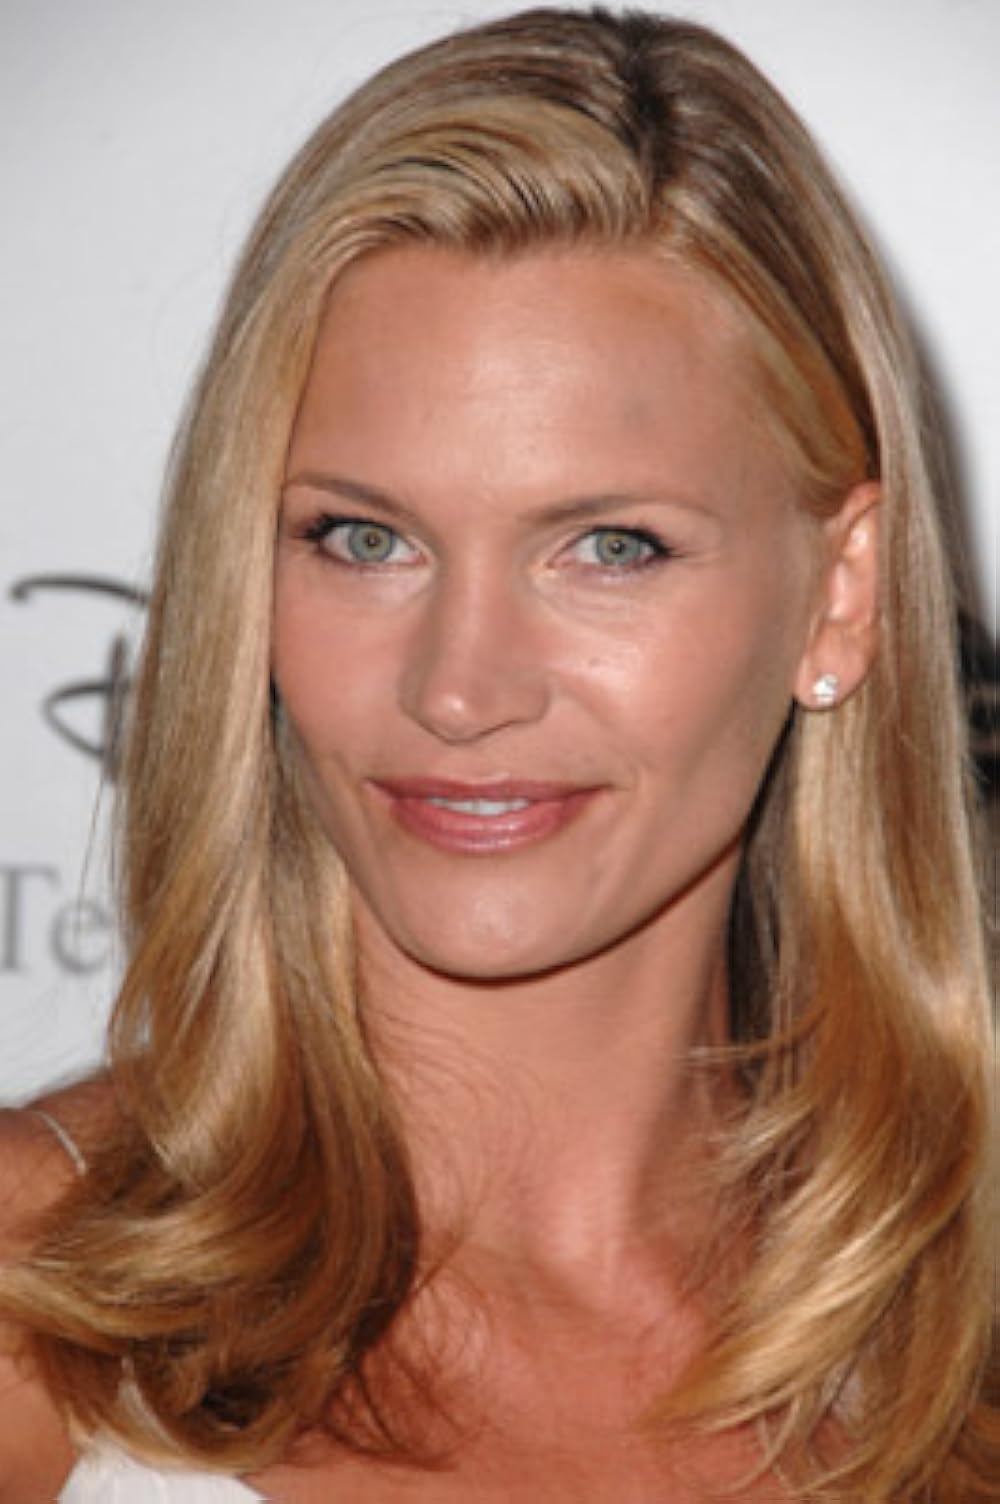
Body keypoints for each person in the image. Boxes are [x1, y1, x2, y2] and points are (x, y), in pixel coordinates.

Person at [0, 8, 992, 1500]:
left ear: (840, 593)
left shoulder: (960, 1350)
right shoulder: (39, 1292)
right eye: (365, 539)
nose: (459, 690)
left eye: (609, 547)